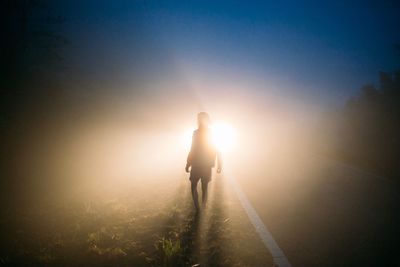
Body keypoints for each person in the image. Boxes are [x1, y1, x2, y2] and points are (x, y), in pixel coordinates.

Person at [185, 112, 222, 211]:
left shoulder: (204, 133)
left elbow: (217, 148)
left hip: (200, 164)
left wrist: (188, 163)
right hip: (202, 164)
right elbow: (193, 148)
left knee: (199, 186)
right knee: (199, 187)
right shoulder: (198, 133)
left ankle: (200, 208)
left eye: (201, 119)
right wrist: (188, 163)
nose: (200, 121)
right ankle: (200, 208)